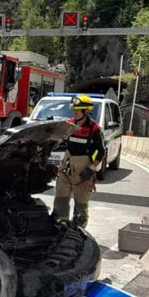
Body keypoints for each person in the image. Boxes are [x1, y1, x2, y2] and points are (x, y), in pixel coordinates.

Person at [53, 94, 105, 227]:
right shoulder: (69, 124)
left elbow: (101, 151)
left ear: (85, 111)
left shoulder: (94, 128)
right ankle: (60, 224)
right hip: (67, 169)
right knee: (61, 199)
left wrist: (92, 168)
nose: (74, 112)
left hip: (84, 171)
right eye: (73, 110)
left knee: (81, 204)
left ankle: (79, 230)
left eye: (77, 110)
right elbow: (64, 145)